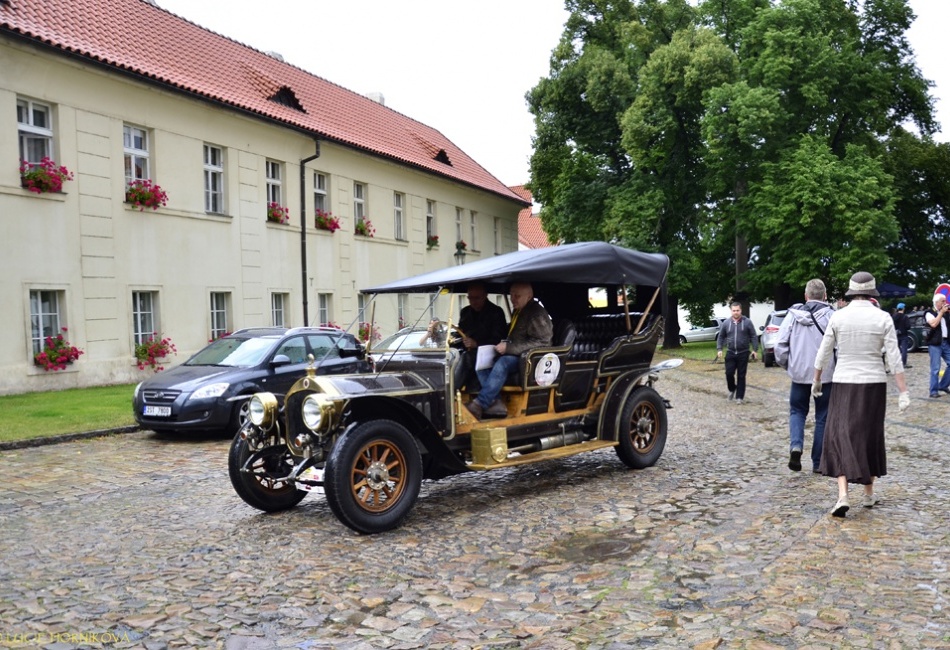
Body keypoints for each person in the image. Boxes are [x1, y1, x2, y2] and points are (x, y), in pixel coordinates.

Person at [814, 271, 909, 518]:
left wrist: (817, 380)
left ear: (851, 291)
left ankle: (843, 495)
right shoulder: (883, 317)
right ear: (871, 292)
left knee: (839, 435)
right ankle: (868, 493)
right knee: (870, 436)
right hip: (874, 383)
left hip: (844, 382)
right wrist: (903, 391)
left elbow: (824, 351)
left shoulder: (838, 316)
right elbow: (894, 357)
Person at [466, 282, 552, 420]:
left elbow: (542, 342)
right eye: (511, 295)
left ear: (529, 296)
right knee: (482, 361)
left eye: (517, 296)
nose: (512, 299)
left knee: (503, 362)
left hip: (530, 358)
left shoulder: (536, 314)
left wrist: (509, 348)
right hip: (517, 353)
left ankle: (480, 403)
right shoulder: (519, 310)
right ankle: (496, 402)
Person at [774, 279, 835, 473]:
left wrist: (789, 365)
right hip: (825, 376)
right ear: (825, 296)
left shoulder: (793, 316)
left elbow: (779, 345)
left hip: (799, 375)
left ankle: (796, 445)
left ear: (806, 296)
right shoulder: (832, 316)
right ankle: (818, 462)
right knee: (823, 417)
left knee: (797, 412)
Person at [453, 282, 508, 390]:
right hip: (468, 351)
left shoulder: (496, 312)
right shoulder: (465, 312)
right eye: (470, 298)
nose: (474, 301)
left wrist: (476, 344)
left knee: (467, 357)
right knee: (451, 356)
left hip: (489, 353)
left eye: (477, 298)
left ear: (485, 296)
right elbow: (460, 332)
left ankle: (452, 390)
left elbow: (498, 338)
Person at [715, 302, 758, 404]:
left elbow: (753, 336)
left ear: (741, 310)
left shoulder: (747, 322)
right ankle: (732, 388)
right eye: (734, 310)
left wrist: (755, 349)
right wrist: (719, 349)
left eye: (737, 310)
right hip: (730, 352)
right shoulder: (726, 323)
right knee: (729, 373)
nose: (736, 312)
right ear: (731, 311)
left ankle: (739, 397)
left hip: (743, 353)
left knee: (741, 375)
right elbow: (721, 337)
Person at [925, 293, 950, 398]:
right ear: (936, 302)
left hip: (945, 342)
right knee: (935, 368)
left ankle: (943, 385)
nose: (945, 303)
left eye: (945, 301)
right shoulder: (929, 312)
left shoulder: (946, 313)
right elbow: (934, 324)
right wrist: (941, 313)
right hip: (935, 343)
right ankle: (933, 391)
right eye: (942, 301)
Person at [892, 302, 911, 369]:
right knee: (904, 349)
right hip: (904, 334)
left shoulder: (893, 316)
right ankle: (903, 363)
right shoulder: (905, 317)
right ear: (903, 308)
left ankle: (896, 362)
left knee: (896, 349)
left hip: (895, 334)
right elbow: (908, 326)